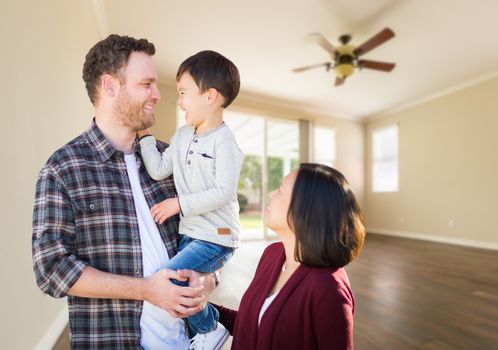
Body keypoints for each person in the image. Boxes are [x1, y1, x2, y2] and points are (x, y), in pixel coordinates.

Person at [31, 34, 217, 350]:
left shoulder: (170, 159)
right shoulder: (63, 168)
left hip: (186, 342)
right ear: (110, 86)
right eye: (146, 84)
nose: (158, 94)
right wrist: (145, 289)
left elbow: (207, 233)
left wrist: (207, 279)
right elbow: (51, 269)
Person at [136, 50, 243, 349]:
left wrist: (179, 204)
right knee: (184, 286)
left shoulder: (225, 142)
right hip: (191, 234)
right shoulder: (182, 135)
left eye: (184, 93)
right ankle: (200, 332)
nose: (179, 100)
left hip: (217, 237)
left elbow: (223, 192)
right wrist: (144, 136)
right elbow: (158, 170)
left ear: (210, 96)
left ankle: (210, 327)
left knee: (165, 279)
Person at [212, 163, 366, 350]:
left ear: (306, 209)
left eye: (281, 189)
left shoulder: (329, 289)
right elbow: (253, 324)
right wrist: (201, 308)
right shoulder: (273, 254)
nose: (271, 194)